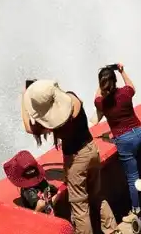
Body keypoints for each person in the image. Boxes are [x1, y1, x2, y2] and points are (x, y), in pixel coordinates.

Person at [21, 80, 116, 234]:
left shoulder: (53, 125)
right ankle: (112, 230)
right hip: (92, 149)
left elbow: (28, 127)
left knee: (80, 207)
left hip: (77, 160)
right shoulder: (73, 98)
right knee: (97, 195)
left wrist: (24, 100)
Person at [92, 64, 141, 221]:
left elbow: (96, 97)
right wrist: (122, 70)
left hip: (124, 139)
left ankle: (137, 209)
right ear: (115, 81)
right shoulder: (125, 93)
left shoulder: (102, 103)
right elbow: (131, 86)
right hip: (140, 132)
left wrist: (101, 82)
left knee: (132, 177)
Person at [3, 150, 61, 214]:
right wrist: (58, 195)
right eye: (29, 171)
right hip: (39, 212)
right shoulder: (28, 190)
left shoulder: (41, 181)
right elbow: (40, 205)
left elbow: (49, 188)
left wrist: (57, 191)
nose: (32, 171)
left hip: (47, 204)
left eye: (32, 170)